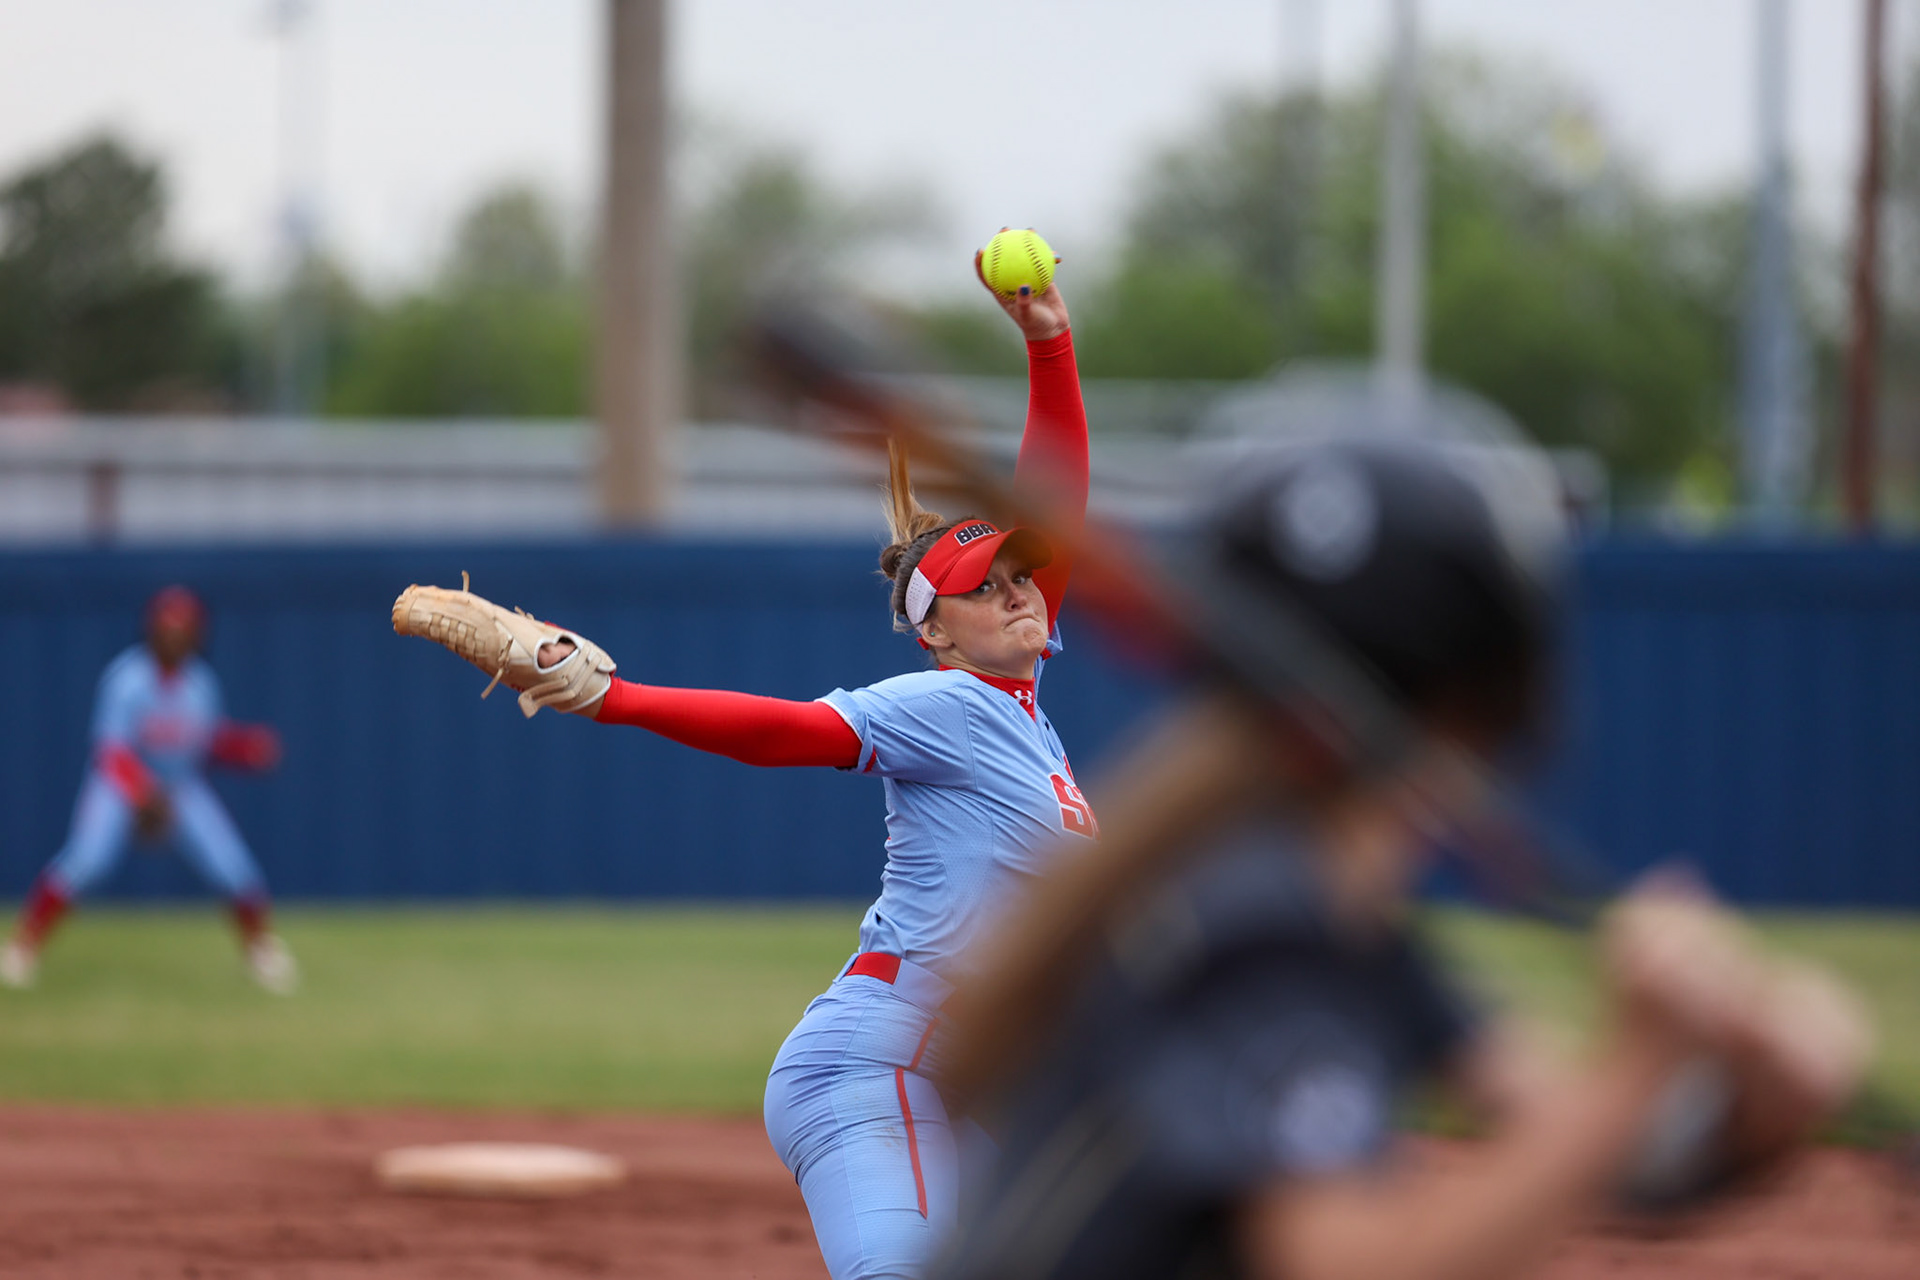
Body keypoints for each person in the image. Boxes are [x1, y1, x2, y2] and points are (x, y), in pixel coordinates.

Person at [932, 438, 1872, 1280]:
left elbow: (1610, 1152)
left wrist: (1751, 1108)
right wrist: (1638, 1063)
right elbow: (1360, 1262)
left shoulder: (1342, 929)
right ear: (1484, 692)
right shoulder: (1261, 925)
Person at [393, 256, 1090, 1280]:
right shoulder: (951, 705)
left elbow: (1058, 508)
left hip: (970, 1082)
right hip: (882, 1064)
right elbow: (788, 730)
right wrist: (612, 696)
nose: (1022, 592)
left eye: (1024, 576)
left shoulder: (1020, 713)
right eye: (990, 586)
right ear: (935, 630)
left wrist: (1049, 342)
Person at [1, 586, 297, 994]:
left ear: (197, 634)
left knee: (231, 864)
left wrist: (244, 749)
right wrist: (143, 794)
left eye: (184, 629)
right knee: (87, 861)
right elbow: (111, 753)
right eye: (168, 628)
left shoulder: (200, 683)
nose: (175, 637)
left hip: (179, 783)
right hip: (121, 782)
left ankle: (261, 951)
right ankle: (23, 947)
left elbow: (202, 744)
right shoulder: (127, 678)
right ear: (152, 630)